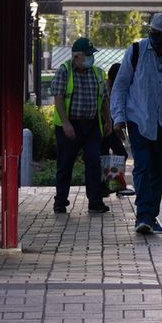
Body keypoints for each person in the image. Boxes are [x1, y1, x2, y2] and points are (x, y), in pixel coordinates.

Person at [110, 12, 162, 236]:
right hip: (139, 120)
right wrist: (119, 117)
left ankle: (151, 216)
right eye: (153, 34)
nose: (156, 40)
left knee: (159, 172)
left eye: (160, 36)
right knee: (142, 167)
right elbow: (121, 86)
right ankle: (143, 216)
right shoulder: (136, 51)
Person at [52, 37, 110, 215]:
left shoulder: (97, 73)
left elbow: (104, 100)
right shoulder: (64, 71)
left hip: (91, 125)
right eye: (88, 55)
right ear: (77, 56)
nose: (91, 58)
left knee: (93, 162)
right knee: (65, 164)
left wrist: (108, 120)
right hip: (69, 125)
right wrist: (66, 124)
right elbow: (58, 98)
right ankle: (60, 202)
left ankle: (95, 201)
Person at [103, 63, 131, 198]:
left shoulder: (113, 87)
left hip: (109, 126)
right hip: (106, 127)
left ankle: (110, 186)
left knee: (106, 156)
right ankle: (113, 185)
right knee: (120, 154)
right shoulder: (108, 88)